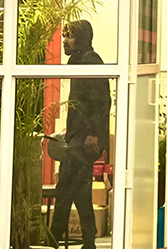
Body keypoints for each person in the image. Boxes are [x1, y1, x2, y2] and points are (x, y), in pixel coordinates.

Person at [49, 19, 111, 249]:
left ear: (83, 38)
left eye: (70, 36)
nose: (65, 41)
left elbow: (101, 102)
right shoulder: (79, 61)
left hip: (85, 139)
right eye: (65, 36)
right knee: (78, 189)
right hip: (79, 137)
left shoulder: (89, 61)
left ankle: (53, 239)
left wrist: (93, 135)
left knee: (66, 189)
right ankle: (87, 240)